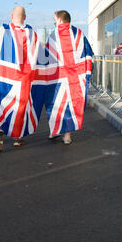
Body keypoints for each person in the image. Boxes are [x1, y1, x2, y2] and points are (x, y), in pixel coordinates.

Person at [0, 6, 47, 152]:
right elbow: (41, 56)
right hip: (25, 77)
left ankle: (0, 129)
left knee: (2, 102)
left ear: (11, 15)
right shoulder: (32, 33)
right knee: (22, 106)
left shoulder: (2, 30)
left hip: (5, 76)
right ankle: (18, 137)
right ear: (25, 17)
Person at [45, 10, 93, 145]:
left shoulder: (54, 35)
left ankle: (55, 130)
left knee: (56, 103)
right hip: (75, 77)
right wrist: (86, 74)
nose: (54, 22)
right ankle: (67, 135)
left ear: (60, 20)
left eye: (55, 20)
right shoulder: (79, 34)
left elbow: (47, 57)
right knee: (71, 104)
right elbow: (88, 54)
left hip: (58, 76)